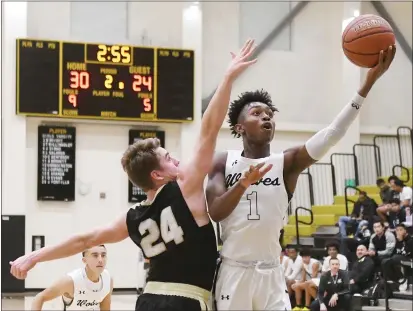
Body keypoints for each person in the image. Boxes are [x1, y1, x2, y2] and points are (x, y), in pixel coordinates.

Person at [10, 39, 259, 311]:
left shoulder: (133, 218)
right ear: (157, 175)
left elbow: (84, 240)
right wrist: (227, 78)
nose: (175, 158)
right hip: (187, 300)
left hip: (148, 300)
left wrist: (34, 257)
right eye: (168, 158)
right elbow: (209, 129)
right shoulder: (185, 187)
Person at [206, 45, 396, 310]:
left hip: (271, 273)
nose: (266, 117)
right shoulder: (223, 161)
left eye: (269, 114)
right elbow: (215, 212)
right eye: (257, 114)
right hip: (234, 271)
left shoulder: (286, 163)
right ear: (240, 128)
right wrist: (243, 184)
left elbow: (332, 133)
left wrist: (366, 86)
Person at [31, 245, 112, 311]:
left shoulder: (108, 279)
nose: (100, 259)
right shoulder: (71, 280)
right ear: (84, 260)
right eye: (95, 255)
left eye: (103, 255)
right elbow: (39, 297)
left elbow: (105, 308)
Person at [381, 223, 413, 292]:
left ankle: (403, 279)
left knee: (395, 258)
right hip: (402, 260)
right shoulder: (398, 240)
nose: (399, 232)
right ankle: (396, 281)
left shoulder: (411, 240)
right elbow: (394, 253)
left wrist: (401, 241)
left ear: (405, 231)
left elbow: (406, 253)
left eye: (401, 230)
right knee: (386, 261)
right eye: (397, 230)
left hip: (410, 262)